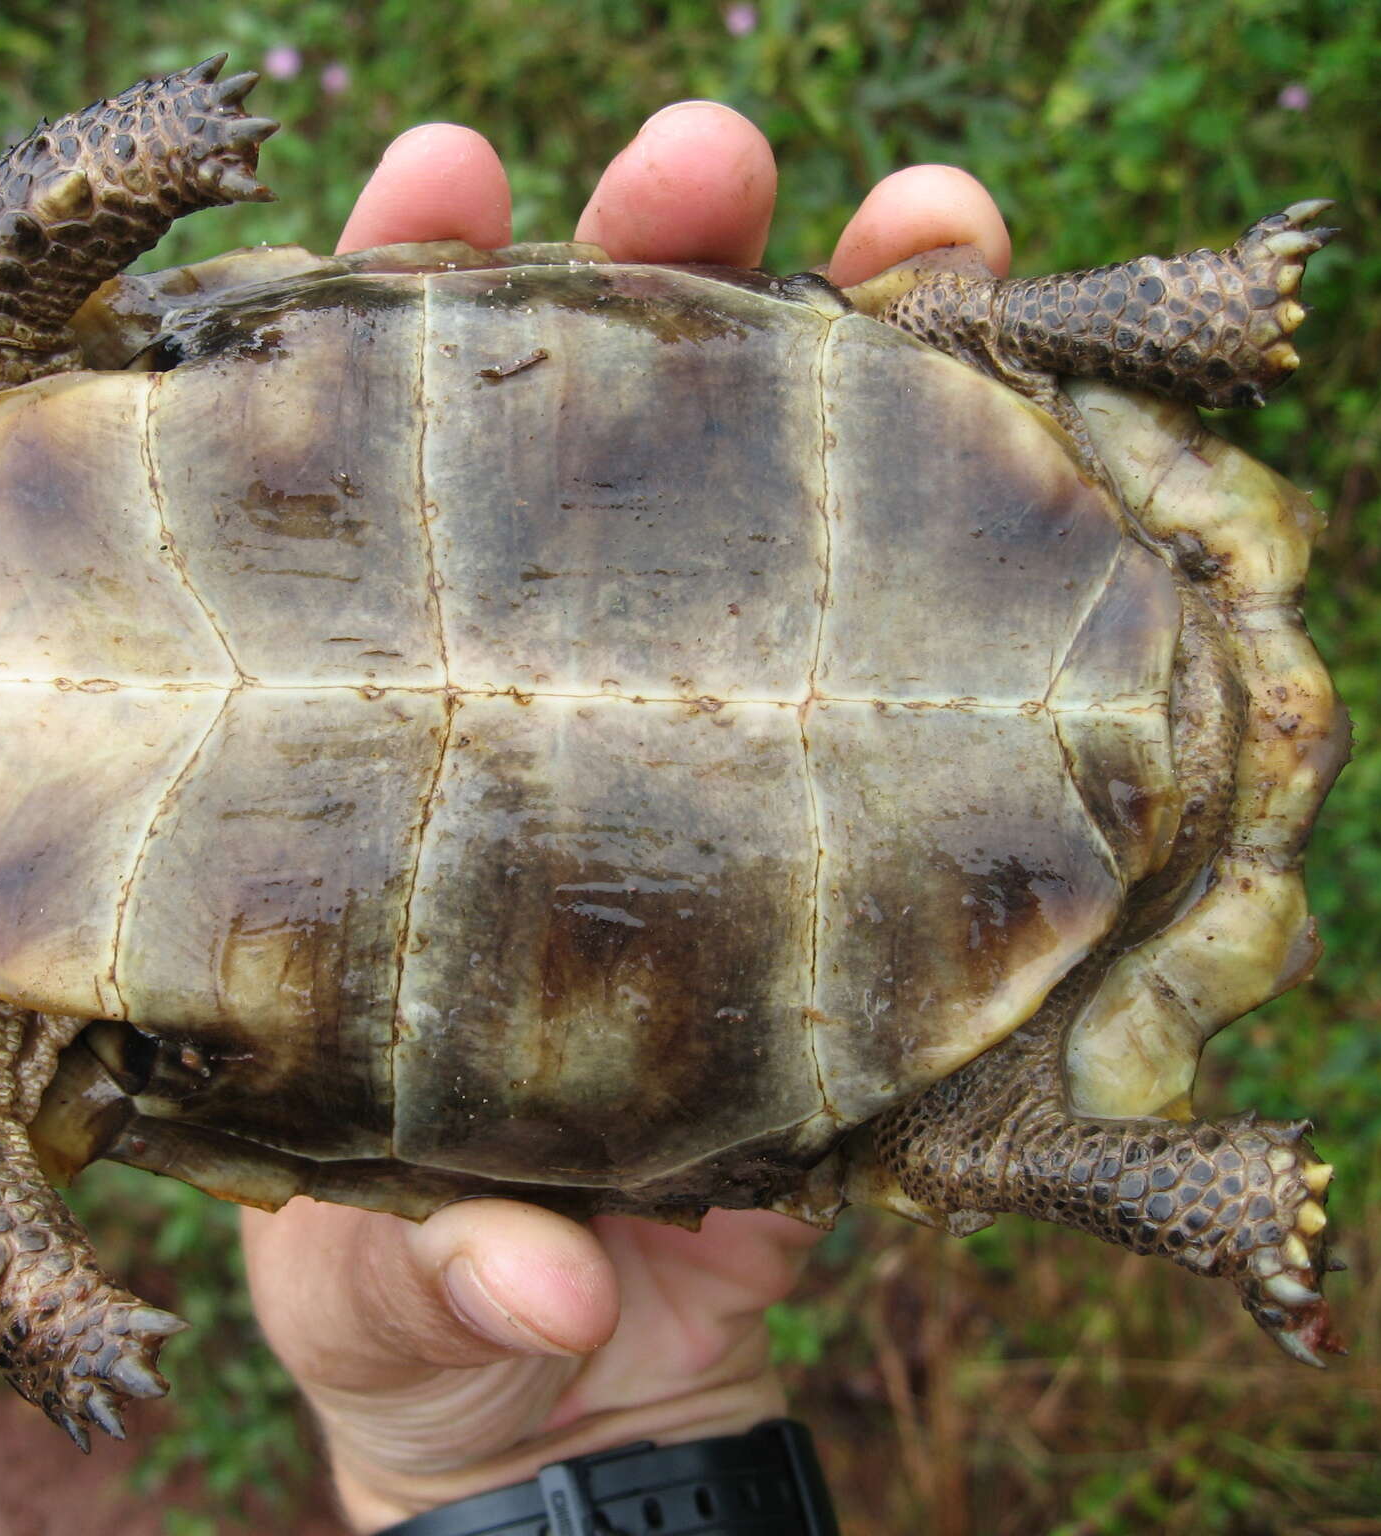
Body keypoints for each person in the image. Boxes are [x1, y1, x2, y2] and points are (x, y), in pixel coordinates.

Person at [240, 101, 1011, 1534]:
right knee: (959, 1122)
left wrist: (470, 1493)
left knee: (941, 1123)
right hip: (981, 557)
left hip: (929, 959)